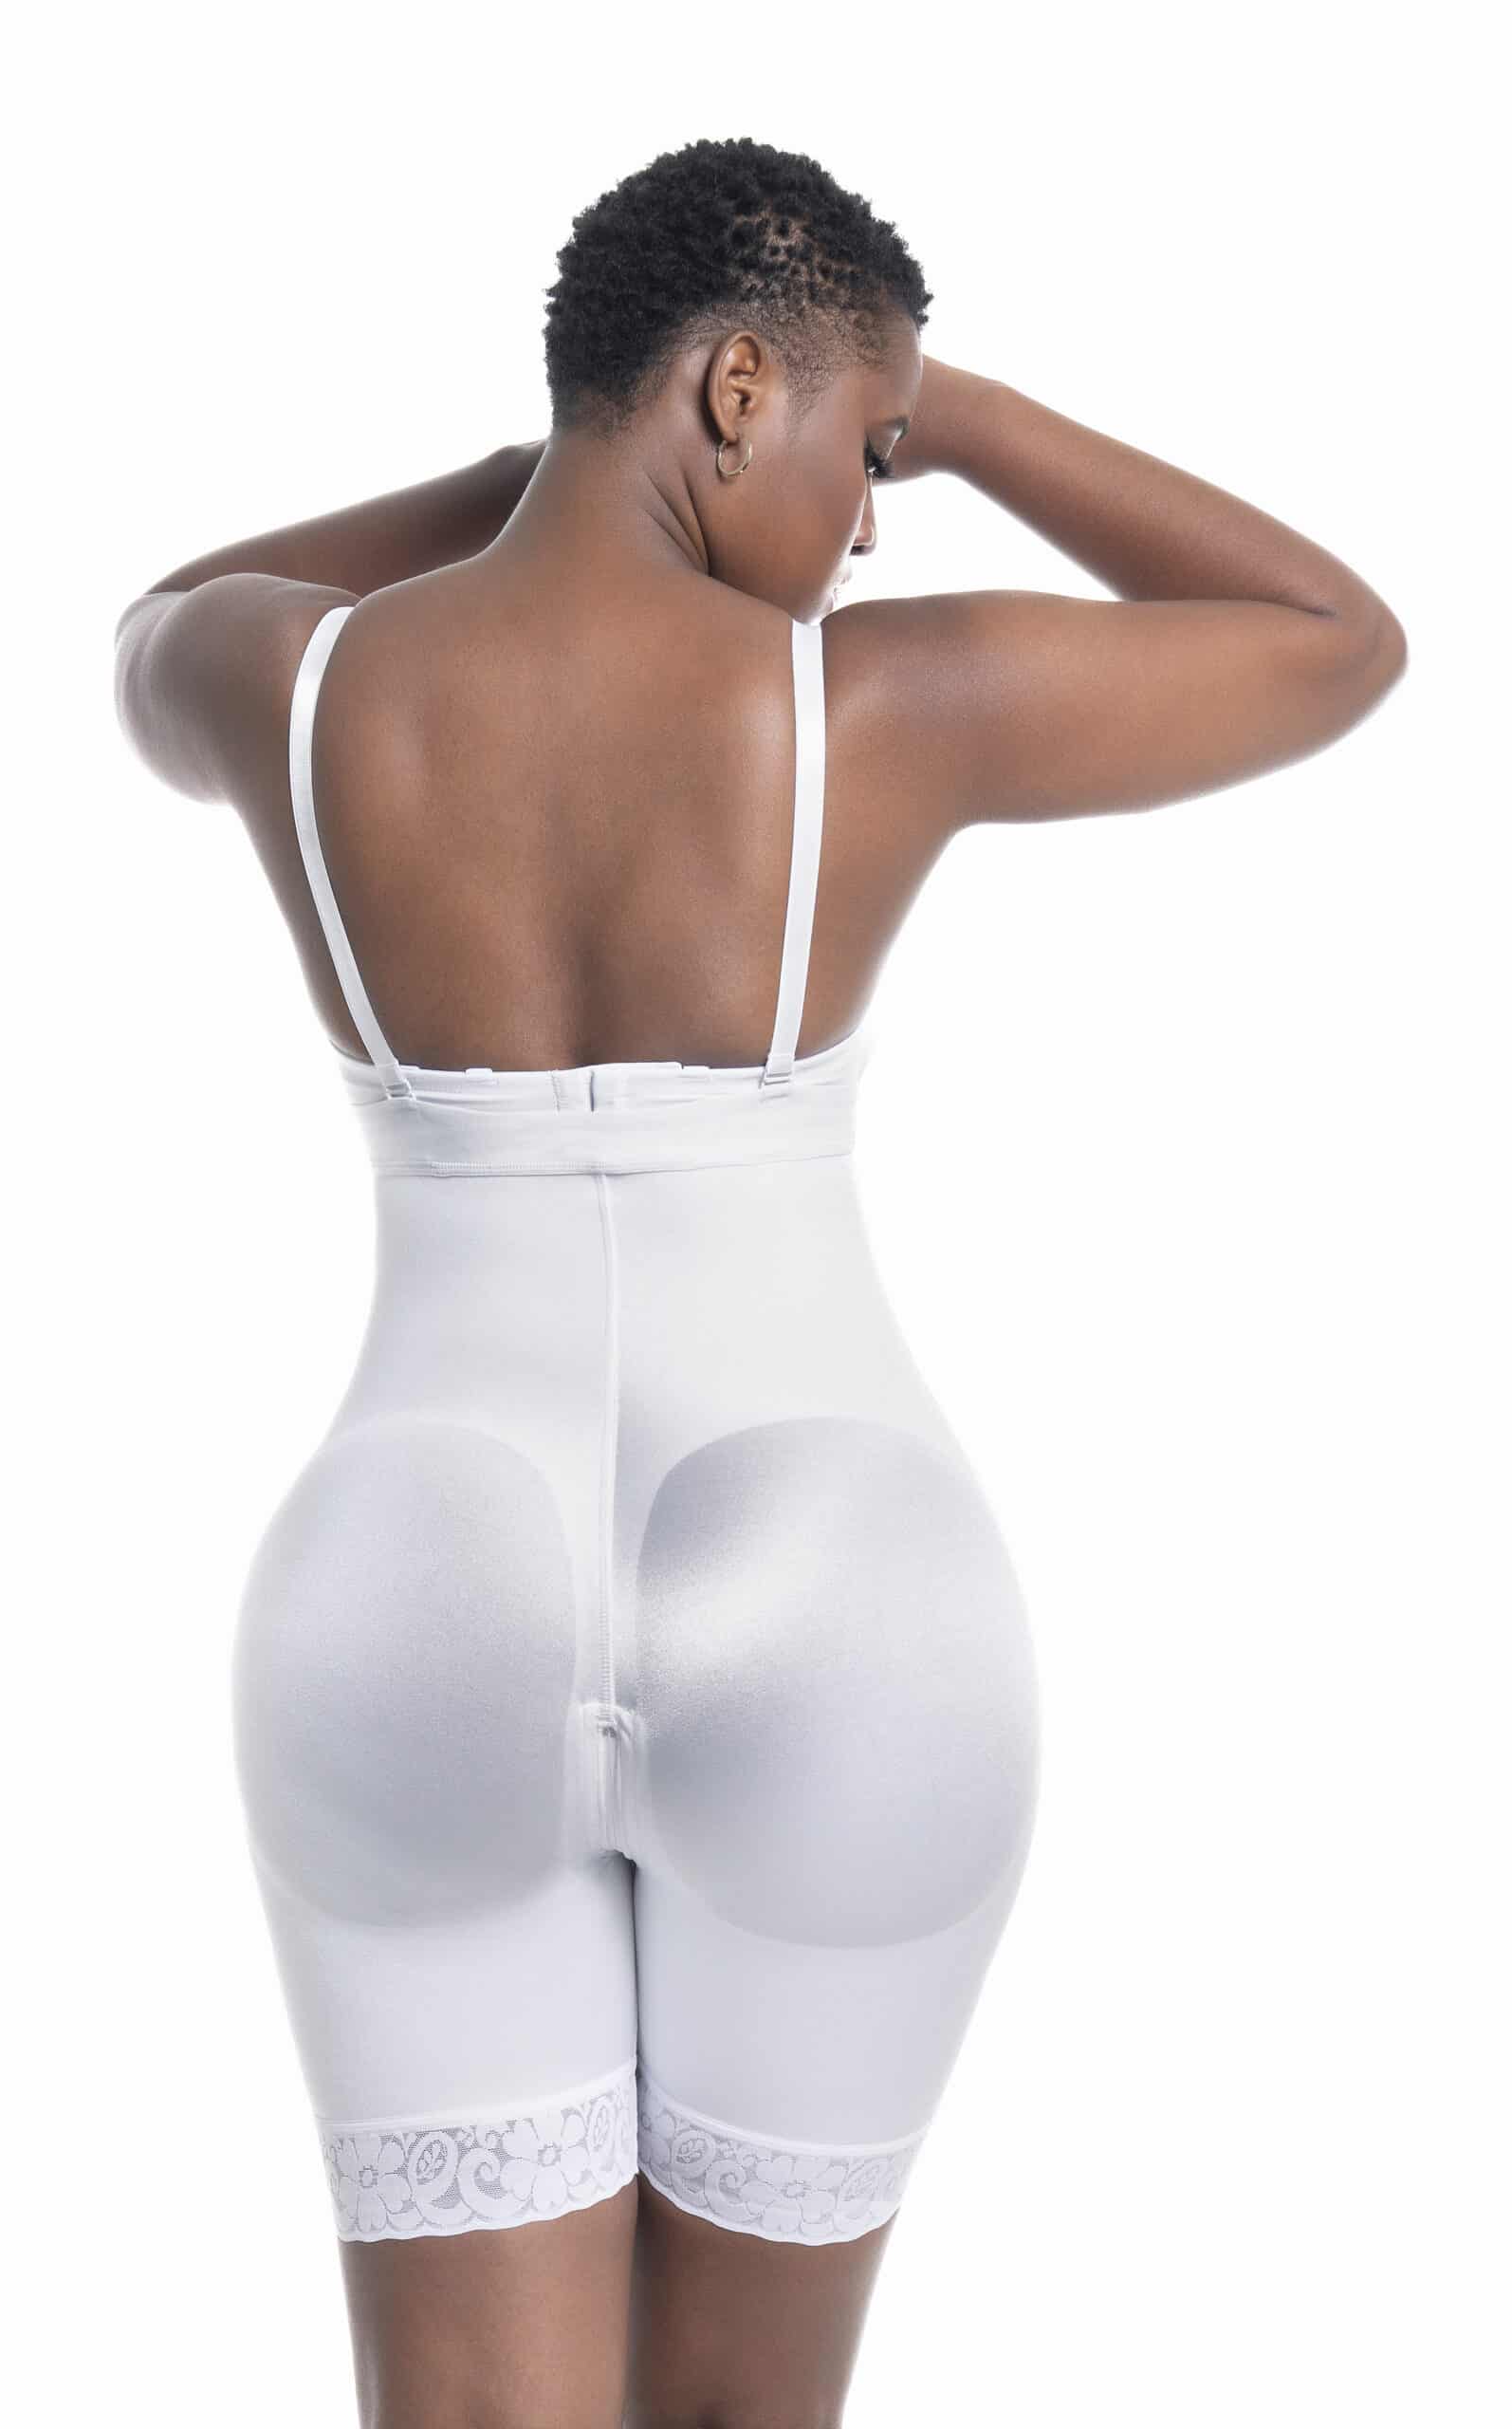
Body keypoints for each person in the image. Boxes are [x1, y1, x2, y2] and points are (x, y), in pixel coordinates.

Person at [113, 135, 1406, 2429]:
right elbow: (1334, 638)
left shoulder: (292, 690)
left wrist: (535, 475)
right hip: (837, 1586)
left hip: (414, 1577)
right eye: (865, 451)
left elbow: (161, 611)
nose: (874, 519)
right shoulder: (871, 711)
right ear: (733, 391)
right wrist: (969, 408)